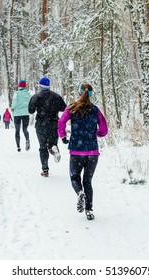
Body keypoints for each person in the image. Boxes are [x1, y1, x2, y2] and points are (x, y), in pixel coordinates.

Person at [58, 83, 108, 220]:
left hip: (76, 151)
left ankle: (79, 193)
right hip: (92, 152)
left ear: (79, 93)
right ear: (91, 95)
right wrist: (95, 133)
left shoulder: (72, 108)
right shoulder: (95, 110)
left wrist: (63, 136)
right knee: (88, 181)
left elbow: (61, 123)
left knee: (74, 177)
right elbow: (104, 130)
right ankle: (89, 210)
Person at [28, 76, 66, 177]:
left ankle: (45, 170)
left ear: (40, 86)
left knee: (42, 147)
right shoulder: (56, 96)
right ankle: (54, 148)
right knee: (52, 142)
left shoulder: (36, 96)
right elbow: (64, 108)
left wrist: (37, 107)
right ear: (48, 86)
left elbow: (30, 110)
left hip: (41, 124)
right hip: (53, 124)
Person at [11, 80, 31, 152]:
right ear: (25, 86)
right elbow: (30, 102)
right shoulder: (28, 94)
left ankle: (18, 147)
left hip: (17, 114)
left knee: (17, 130)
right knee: (25, 129)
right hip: (26, 113)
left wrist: (12, 108)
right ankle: (27, 140)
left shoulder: (16, 93)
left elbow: (14, 101)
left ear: (19, 86)